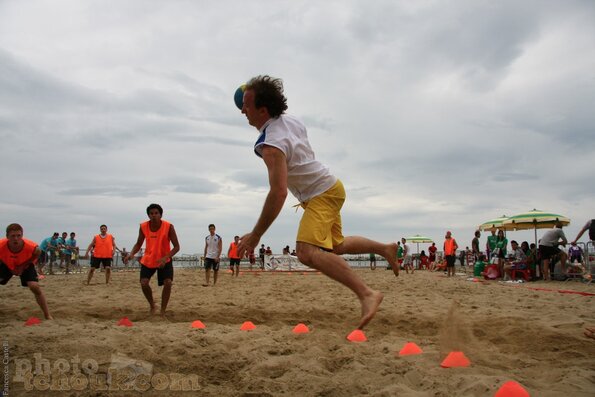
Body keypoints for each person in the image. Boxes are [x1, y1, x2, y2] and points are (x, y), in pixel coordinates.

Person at [235, 75, 397, 329]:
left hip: (322, 193)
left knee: (306, 252)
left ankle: (367, 293)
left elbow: (278, 194)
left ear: (262, 109)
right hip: (329, 187)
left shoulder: (271, 146)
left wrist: (256, 235)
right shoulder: (291, 121)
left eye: (246, 104)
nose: (242, 110)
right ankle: (385, 249)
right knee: (336, 246)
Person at [125, 204, 180, 316]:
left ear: (160, 215)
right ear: (148, 215)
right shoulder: (143, 226)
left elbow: (177, 247)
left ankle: (163, 311)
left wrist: (165, 258)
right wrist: (131, 254)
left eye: (156, 213)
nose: (154, 215)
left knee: (168, 283)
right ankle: (152, 305)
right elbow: (139, 243)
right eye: (151, 213)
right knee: (144, 283)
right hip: (149, 259)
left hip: (164, 260)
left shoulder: (169, 226)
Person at [0, 224, 52, 319]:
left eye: (19, 235)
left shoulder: (30, 246)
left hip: (25, 264)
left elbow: (38, 252)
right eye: (13, 236)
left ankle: (47, 315)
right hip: (7, 264)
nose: (16, 238)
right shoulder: (1, 244)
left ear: (22, 235)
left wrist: (22, 266)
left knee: (34, 286)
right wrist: (10, 267)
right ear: (7, 236)